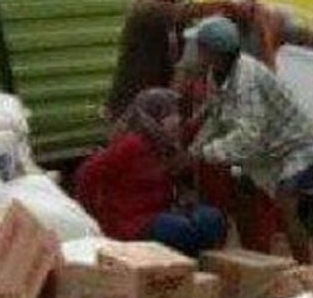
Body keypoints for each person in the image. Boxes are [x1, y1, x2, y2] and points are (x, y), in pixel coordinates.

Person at [188, 17, 313, 264]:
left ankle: (308, 272)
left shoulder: (245, 81)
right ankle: (258, 262)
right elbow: (217, 119)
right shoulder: (217, 74)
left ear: (215, 54)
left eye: (200, 48)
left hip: (297, 146)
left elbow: (248, 137)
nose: (195, 53)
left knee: (286, 206)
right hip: (271, 147)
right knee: (244, 194)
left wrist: (202, 153)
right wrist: (193, 149)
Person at [75, 88, 224, 256]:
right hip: (135, 222)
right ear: (154, 117)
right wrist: (93, 217)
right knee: (184, 231)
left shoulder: (165, 143)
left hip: (162, 213)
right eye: (171, 114)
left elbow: (193, 128)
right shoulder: (132, 145)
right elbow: (86, 173)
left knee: (212, 218)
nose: (177, 119)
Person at [106, 0, 221, 120]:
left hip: (156, 108)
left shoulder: (176, 19)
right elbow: (186, 11)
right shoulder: (144, 10)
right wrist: (231, 5)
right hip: (130, 111)